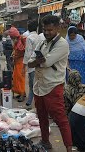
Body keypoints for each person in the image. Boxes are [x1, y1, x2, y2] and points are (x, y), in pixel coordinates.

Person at [28, 15, 72, 151]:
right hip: (39, 86)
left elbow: (45, 62)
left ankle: (69, 148)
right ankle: (45, 141)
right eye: (45, 30)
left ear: (58, 28)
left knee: (60, 119)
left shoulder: (62, 44)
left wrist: (37, 62)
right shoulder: (42, 42)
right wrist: (37, 62)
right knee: (41, 116)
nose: (47, 32)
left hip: (53, 87)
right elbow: (30, 62)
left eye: (50, 30)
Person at [23, 20, 42, 107]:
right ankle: (30, 102)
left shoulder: (29, 38)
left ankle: (31, 103)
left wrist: (24, 66)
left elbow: (28, 53)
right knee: (36, 84)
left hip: (32, 64)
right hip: (39, 64)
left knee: (32, 85)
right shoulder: (39, 37)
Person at [9, 27, 26, 102]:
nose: (11, 38)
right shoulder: (16, 40)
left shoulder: (22, 39)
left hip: (21, 61)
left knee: (20, 78)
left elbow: (23, 50)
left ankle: (22, 94)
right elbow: (15, 50)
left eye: (12, 37)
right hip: (17, 61)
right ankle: (21, 92)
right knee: (16, 77)